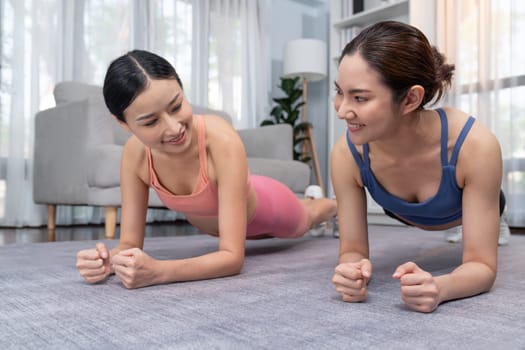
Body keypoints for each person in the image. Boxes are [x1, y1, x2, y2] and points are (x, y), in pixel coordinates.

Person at [76, 49, 336, 289]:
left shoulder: (220, 139)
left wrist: (159, 272)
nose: (174, 128)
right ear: (123, 123)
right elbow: (130, 244)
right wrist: (109, 261)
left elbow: (232, 259)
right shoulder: (135, 156)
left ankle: (331, 204)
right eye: (151, 121)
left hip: (269, 208)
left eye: (176, 106)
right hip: (223, 222)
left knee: (306, 219)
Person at [330, 21, 510, 313]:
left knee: (484, 222)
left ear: (411, 98)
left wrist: (441, 287)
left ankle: (493, 220)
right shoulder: (346, 154)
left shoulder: (474, 146)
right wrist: (350, 270)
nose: (341, 110)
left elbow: (481, 266)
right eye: (340, 92)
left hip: (459, 207)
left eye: (359, 97)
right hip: (402, 211)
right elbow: (351, 250)